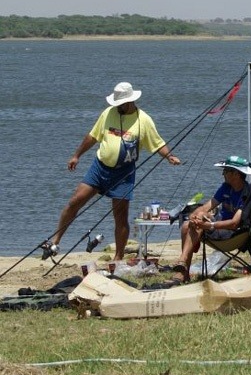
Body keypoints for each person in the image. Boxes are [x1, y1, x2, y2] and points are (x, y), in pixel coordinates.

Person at [44, 82, 181, 261]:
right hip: (100, 167)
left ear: (130, 102)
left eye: (120, 104)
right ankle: (55, 241)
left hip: (124, 173)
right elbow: (92, 136)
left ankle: (118, 257)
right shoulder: (108, 113)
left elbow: (157, 143)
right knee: (75, 201)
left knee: (120, 216)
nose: (117, 106)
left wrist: (169, 156)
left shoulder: (144, 120)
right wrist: (76, 155)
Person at [172, 156, 251, 282]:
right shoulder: (226, 187)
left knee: (197, 226)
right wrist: (195, 216)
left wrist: (209, 225)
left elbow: (234, 223)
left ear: (236, 174)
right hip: (218, 226)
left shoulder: (247, 193)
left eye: (226, 171)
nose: (223, 174)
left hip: (233, 233)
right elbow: (207, 206)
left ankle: (182, 269)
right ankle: (183, 267)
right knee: (187, 225)